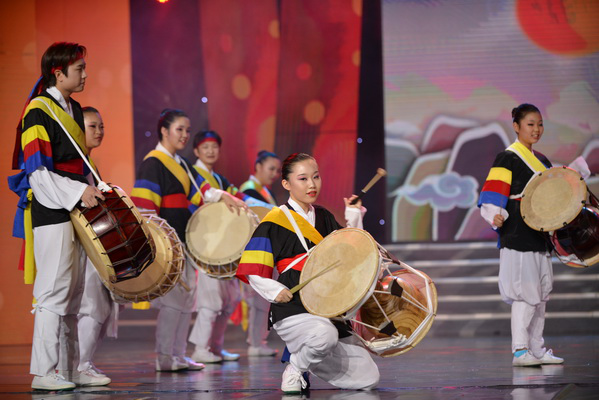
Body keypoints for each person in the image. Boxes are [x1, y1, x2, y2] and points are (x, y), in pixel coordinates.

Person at [236, 153, 379, 394]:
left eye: (316, 177)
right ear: (286, 183)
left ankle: (307, 358)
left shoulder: (323, 216)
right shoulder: (275, 220)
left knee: (368, 378)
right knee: (324, 335)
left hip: (327, 307)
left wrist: (354, 216)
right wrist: (274, 290)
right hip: (293, 307)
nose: (312, 184)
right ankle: (296, 367)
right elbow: (252, 267)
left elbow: (350, 254)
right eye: (303, 179)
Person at [10, 42, 107, 390]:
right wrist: (77, 192)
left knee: (74, 293)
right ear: (58, 72)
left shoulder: (73, 108)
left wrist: (93, 189)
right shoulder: (37, 111)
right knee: (53, 290)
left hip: (76, 208)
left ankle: (69, 369)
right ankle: (43, 371)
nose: (85, 75)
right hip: (52, 210)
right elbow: (37, 172)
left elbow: (79, 164)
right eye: (79, 69)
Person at [130, 110, 246, 372]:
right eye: (179, 129)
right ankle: (165, 357)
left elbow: (201, 191)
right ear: (164, 131)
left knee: (185, 300)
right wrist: (156, 246)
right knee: (173, 302)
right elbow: (145, 209)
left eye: (187, 130)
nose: (184, 135)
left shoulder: (181, 164)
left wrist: (224, 196)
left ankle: (179, 355)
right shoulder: (154, 162)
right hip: (167, 243)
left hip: (182, 241)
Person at [478, 103, 564, 367]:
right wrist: (494, 213)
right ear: (516, 126)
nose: (536, 129)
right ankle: (519, 351)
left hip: (540, 234)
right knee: (525, 294)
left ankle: (537, 349)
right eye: (530, 124)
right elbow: (493, 193)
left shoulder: (544, 161)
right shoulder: (508, 157)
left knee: (541, 295)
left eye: (540, 124)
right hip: (517, 234)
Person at [188, 131, 276, 363]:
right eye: (205, 147)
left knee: (229, 300)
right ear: (196, 151)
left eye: (214, 147)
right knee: (210, 301)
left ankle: (215, 347)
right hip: (206, 245)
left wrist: (275, 210)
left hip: (224, 245)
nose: (210, 151)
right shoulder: (193, 175)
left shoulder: (218, 178)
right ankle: (200, 349)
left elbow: (241, 198)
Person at [74, 107, 113, 386]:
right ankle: (80, 365)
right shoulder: (75, 164)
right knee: (91, 306)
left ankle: (83, 363)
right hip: (83, 245)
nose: (99, 131)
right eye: (92, 126)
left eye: (101, 126)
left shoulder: (87, 163)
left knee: (99, 307)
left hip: (93, 246)